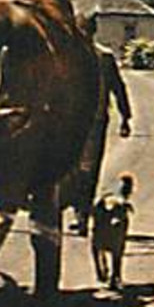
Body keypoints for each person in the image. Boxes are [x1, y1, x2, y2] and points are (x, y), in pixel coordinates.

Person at [66, 13, 133, 236]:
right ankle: (78, 211)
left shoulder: (103, 57)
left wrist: (126, 117)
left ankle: (83, 214)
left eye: (84, 29)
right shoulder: (68, 57)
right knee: (72, 170)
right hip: (68, 122)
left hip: (94, 122)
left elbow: (117, 87)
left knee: (88, 170)